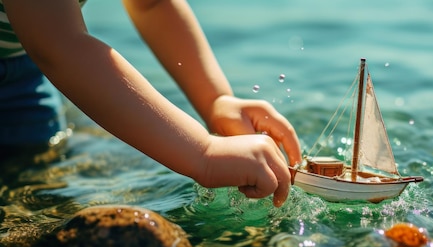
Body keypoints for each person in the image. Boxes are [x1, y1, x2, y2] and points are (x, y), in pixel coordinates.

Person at [0, 0, 301, 207]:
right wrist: (203, 153)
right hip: (35, 54)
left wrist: (214, 100)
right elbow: (60, 46)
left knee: (30, 172)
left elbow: (151, 4)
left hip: (21, 68)